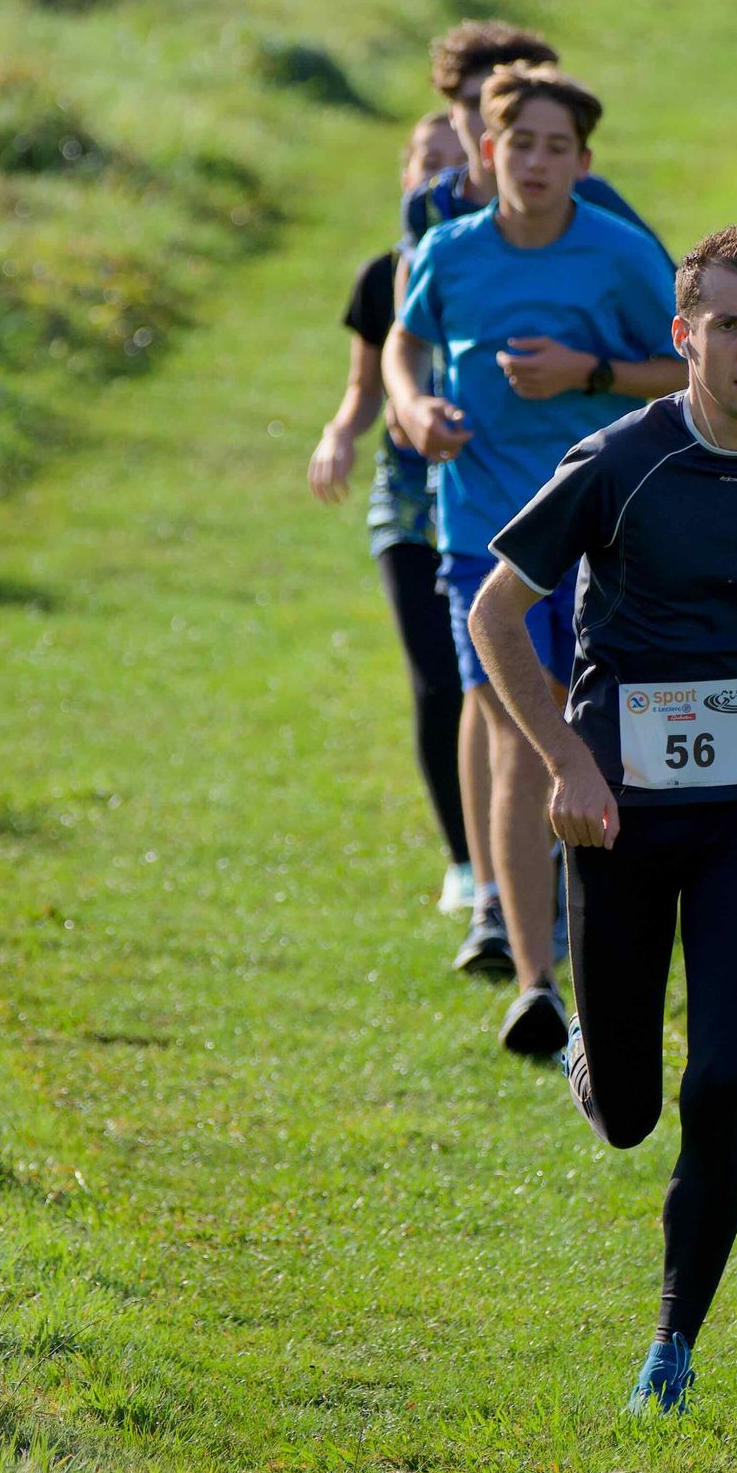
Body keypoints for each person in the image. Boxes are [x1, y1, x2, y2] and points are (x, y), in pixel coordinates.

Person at [464, 228, 737, 1415]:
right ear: (684, 336)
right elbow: (495, 616)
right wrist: (567, 762)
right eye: (730, 326)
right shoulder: (617, 464)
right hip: (619, 819)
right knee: (632, 1114)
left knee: (720, 1080)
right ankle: (593, 1050)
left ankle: (673, 1347)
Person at [387, 68, 682, 1057]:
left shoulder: (621, 254)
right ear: (488, 152)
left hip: (602, 537)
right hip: (480, 535)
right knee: (525, 739)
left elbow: (687, 369)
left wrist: (587, 373)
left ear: (585, 163)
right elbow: (403, 343)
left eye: (559, 148)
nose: (539, 163)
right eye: (521, 144)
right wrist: (413, 408)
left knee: (602, 746)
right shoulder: (449, 252)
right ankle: (534, 984)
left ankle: (613, 963)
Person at [309, 110, 475, 919]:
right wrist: (340, 434)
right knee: (438, 682)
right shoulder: (381, 278)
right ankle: (466, 861)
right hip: (408, 507)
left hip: (487, 496)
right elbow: (365, 387)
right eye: (426, 162)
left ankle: (525, 851)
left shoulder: (491, 265)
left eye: (455, 161)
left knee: (500, 684)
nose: (439, 176)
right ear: (405, 177)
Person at [403, 16, 659, 247]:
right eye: (474, 105)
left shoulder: (589, 196)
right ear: (451, 114)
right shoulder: (429, 206)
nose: (489, 121)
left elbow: (664, 277)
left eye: (507, 110)